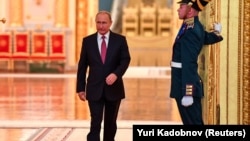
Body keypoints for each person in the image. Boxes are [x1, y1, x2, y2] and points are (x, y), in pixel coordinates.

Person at [76, 11, 131, 141]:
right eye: (98, 22)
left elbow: (125, 60)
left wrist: (116, 74)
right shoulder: (87, 41)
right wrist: (80, 88)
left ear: (110, 23)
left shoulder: (120, 40)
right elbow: (82, 66)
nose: (101, 26)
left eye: (104, 23)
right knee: (95, 121)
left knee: (110, 124)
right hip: (94, 88)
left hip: (114, 89)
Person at [170, 0, 223, 125]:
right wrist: (216, 34)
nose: (178, 9)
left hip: (185, 86)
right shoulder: (191, 26)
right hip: (182, 83)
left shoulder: (191, 30)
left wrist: (188, 92)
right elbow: (204, 37)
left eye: (182, 7)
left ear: (191, 10)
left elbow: (189, 63)